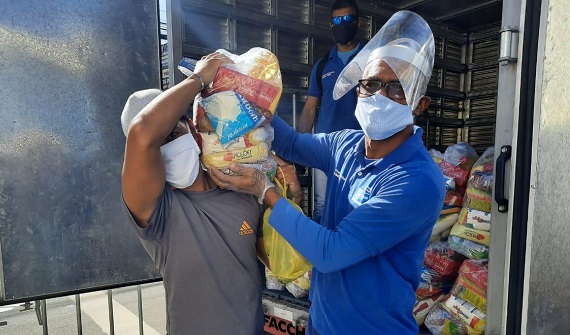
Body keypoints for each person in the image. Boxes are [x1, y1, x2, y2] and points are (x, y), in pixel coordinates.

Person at [209, 11, 445, 334]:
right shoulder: (346, 145)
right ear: (358, 90)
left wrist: (265, 191)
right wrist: (246, 93)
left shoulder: (418, 181)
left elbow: (330, 252)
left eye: (396, 89)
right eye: (371, 84)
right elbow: (291, 143)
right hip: (321, 324)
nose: (379, 96)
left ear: (420, 104)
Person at [120, 52, 267, 335]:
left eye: (172, 134)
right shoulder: (157, 213)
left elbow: (271, 259)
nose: (166, 149)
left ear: (191, 129)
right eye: (157, 146)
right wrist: (199, 79)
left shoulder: (244, 190)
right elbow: (142, 133)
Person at [298, 0, 364, 222]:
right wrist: (300, 147)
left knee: (357, 205)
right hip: (325, 147)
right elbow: (309, 110)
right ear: (330, 25)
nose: (342, 24)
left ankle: (351, 254)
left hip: (362, 149)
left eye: (348, 19)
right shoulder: (322, 65)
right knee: (322, 205)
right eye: (337, 20)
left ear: (358, 22)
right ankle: (321, 254)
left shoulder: (372, 59)